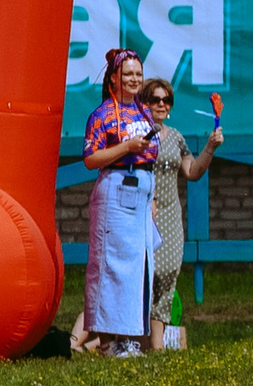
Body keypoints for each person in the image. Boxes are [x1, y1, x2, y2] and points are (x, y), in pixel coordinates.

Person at [81, 49, 160, 357]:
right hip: (115, 190)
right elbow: (91, 158)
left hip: (141, 193)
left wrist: (152, 197)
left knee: (137, 266)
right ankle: (107, 341)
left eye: (138, 74)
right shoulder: (101, 115)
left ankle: (128, 339)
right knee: (110, 266)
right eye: (127, 74)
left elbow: (151, 157)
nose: (133, 79)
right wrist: (126, 147)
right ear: (114, 78)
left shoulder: (143, 112)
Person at [137, 77, 221, 347]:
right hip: (144, 212)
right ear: (144, 103)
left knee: (168, 272)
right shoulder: (136, 133)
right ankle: (140, 340)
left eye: (166, 100)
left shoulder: (175, 137)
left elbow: (192, 171)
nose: (161, 104)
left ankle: (157, 345)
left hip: (170, 216)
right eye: (154, 99)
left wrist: (210, 147)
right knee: (146, 276)